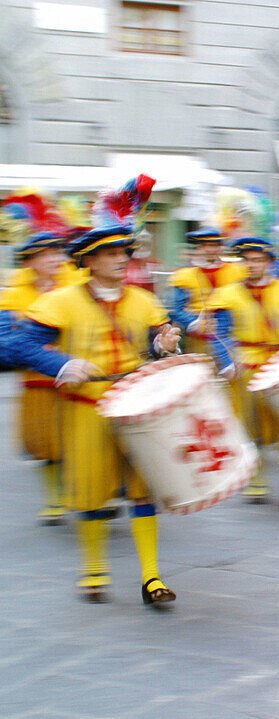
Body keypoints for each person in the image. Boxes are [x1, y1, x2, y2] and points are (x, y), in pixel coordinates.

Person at [13, 226, 182, 605]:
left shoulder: (143, 299)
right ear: (87, 261)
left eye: (124, 252)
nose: (122, 259)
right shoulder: (60, 300)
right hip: (86, 409)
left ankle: (152, 577)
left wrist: (164, 345)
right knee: (90, 490)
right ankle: (93, 569)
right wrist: (61, 362)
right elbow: (18, 344)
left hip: (137, 408)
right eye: (111, 254)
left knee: (143, 490)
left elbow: (158, 342)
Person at [208, 237, 279, 510]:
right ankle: (257, 482)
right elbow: (219, 333)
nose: (251, 265)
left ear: (270, 262)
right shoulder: (227, 294)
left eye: (257, 260)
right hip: (247, 364)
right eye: (246, 260)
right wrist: (226, 362)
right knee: (251, 425)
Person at [0, 233, 85, 524]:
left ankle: (91, 492)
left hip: (79, 375)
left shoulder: (77, 286)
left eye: (57, 253)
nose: (55, 259)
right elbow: (5, 343)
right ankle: (55, 499)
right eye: (46, 254)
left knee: (80, 438)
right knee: (45, 442)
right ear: (31, 262)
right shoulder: (14, 295)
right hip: (37, 380)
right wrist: (37, 351)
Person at [169, 227, 246, 354]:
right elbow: (176, 309)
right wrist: (194, 323)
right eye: (205, 245)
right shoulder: (183, 275)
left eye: (214, 245)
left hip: (232, 339)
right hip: (198, 342)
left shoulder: (238, 271)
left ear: (221, 247)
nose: (209, 250)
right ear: (198, 248)